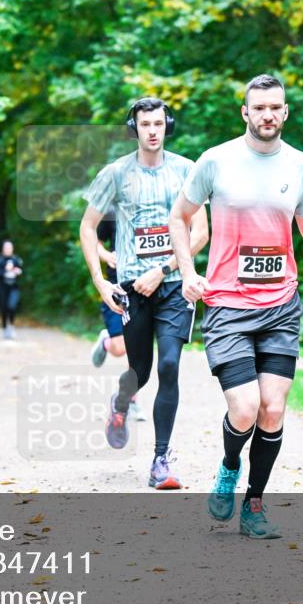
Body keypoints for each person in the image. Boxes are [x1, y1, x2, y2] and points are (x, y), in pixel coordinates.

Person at [168, 74, 303, 537]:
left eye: (276, 107)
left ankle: (254, 503)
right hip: (228, 305)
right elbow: (179, 217)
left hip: (281, 306)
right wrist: (189, 273)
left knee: (273, 408)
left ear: (285, 112)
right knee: (246, 408)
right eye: (259, 108)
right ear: (245, 113)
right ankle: (230, 465)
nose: (268, 115)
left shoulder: (301, 165)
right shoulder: (216, 161)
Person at [79, 97, 208, 490]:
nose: (153, 130)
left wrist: (165, 268)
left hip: (173, 285)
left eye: (158, 123)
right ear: (134, 128)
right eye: (145, 124)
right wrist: (101, 281)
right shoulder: (115, 173)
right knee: (140, 371)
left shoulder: (188, 171)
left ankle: (160, 461)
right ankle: (120, 403)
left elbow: (200, 232)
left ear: (167, 125)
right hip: (131, 288)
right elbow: (87, 228)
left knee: (169, 366)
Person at [91, 218, 145, 422]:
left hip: (143, 286)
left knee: (136, 350)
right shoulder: (113, 210)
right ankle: (106, 341)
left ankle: (131, 401)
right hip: (116, 287)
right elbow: (92, 238)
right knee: (119, 348)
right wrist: (106, 256)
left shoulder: (154, 205)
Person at [0, 240, 23, 339]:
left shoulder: (16, 259)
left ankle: (12, 326)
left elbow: (22, 271)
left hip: (14, 287)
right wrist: (5, 271)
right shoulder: (0, 260)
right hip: (3, 288)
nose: (8, 250)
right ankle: (5, 328)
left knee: (12, 306)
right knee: (4, 308)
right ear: (3, 249)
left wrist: (18, 271)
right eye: (6, 248)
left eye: (9, 248)